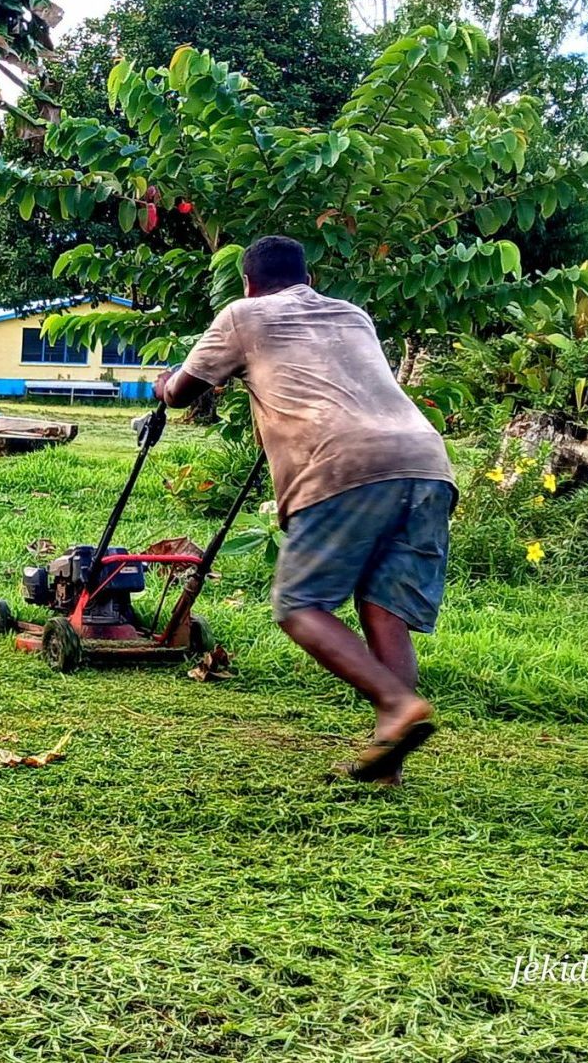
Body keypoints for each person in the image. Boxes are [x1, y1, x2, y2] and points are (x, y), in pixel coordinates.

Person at [156, 235, 453, 783]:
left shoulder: (242, 315)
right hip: (426, 460)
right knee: (384, 609)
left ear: (248, 282)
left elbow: (179, 393)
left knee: (300, 605)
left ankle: (396, 704)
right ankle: (389, 761)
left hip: (342, 465)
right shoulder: (352, 314)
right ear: (308, 280)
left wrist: (163, 383)